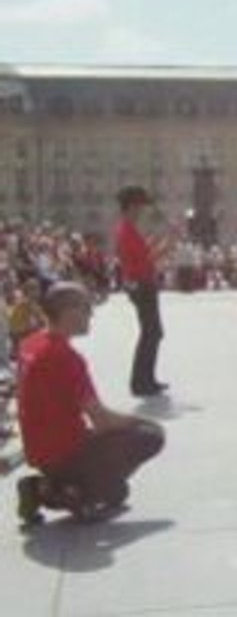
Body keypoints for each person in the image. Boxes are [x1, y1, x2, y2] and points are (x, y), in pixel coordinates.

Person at [16, 282, 165, 526]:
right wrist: (138, 421)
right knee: (151, 435)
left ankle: (58, 485)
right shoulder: (66, 357)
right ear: (68, 311)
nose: (91, 314)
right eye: (86, 307)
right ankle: (60, 491)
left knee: (118, 493)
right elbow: (102, 420)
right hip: (65, 449)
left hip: (39, 451)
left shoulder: (29, 344)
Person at [114, 186, 176, 397]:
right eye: (140, 206)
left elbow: (143, 253)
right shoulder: (127, 230)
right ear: (132, 206)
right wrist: (170, 243)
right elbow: (147, 261)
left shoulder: (127, 229)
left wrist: (161, 240)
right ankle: (141, 382)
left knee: (151, 332)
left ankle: (146, 379)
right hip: (142, 285)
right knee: (152, 332)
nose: (142, 210)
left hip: (141, 284)